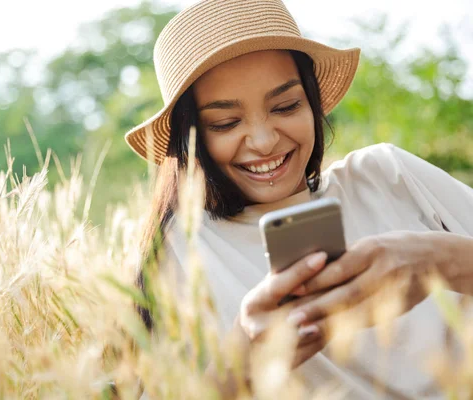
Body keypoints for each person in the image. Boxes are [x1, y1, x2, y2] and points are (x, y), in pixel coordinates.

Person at [124, 0, 473, 398]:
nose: (263, 141)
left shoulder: (387, 175)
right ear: (192, 136)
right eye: (225, 123)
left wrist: (437, 260)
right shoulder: (179, 253)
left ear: (312, 102)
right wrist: (242, 362)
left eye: (286, 106)